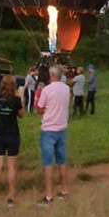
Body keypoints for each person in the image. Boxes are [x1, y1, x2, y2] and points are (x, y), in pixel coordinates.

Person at [35, 64, 71, 206]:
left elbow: (39, 109)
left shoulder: (47, 90)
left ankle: (48, 195)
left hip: (49, 129)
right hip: (62, 127)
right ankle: (64, 189)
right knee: (61, 160)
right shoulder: (66, 89)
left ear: (51, 75)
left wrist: (43, 109)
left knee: (48, 162)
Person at [0, 74, 23, 209]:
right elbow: (21, 115)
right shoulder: (15, 100)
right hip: (12, 134)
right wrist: (21, 97)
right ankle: (10, 197)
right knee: (11, 166)